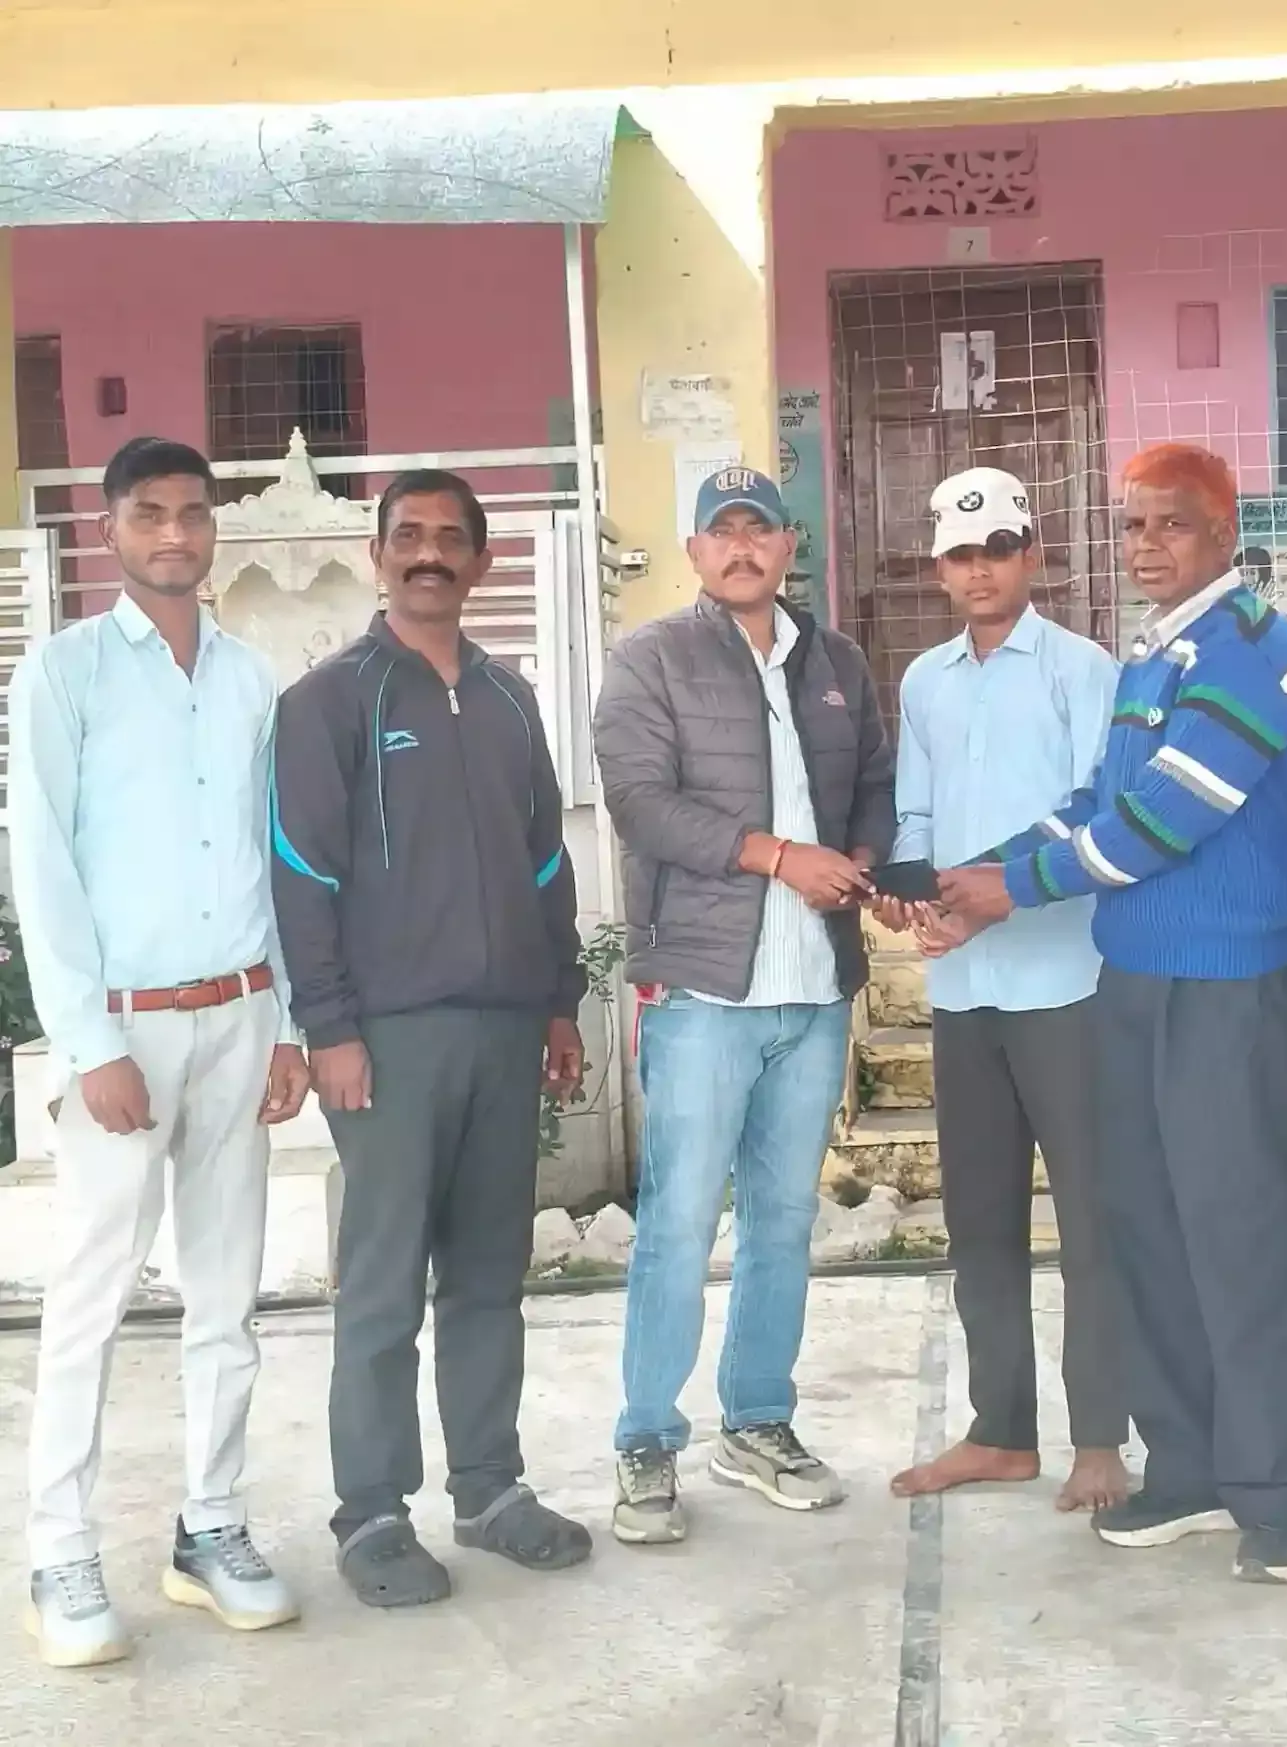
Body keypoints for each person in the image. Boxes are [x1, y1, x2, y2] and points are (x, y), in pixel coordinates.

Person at [940, 443, 1287, 1585]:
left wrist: (1015, 889)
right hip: (1134, 981)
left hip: (1224, 987)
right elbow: (1095, 803)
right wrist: (983, 872)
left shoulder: (1253, 648)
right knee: (1149, 1230)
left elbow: (1166, 818)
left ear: (1224, 531)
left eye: (1172, 524)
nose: (1146, 545)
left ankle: (1277, 1494)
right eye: (1133, 526)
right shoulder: (1153, 655)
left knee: (1240, 1235)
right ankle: (1190, 1466)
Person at [11, 436, 310, 1668]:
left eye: (193, 513)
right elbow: (41, 864)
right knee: (91, 1293)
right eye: (150, 514)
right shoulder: (63, 671)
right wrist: (89, 1041)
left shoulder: (251, 678)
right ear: (110, 529)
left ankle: (212, 1525)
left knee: (226, 1291)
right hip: (124, 1027)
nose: (175, 534)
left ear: (213, 527)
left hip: (240, 1013)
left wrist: (288, 1022)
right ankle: (60, 1551)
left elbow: (278, 859)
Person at [271, 469, 591, 1607]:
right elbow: (301, 872)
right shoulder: (329, 701)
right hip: (388, 1040)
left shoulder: (509, 698)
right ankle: (369, 1513)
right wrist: (328, 1027)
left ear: (480, 563)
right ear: (377, 555)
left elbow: (546, 859)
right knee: (382, 1284)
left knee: (491, 1275)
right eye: (408, 535)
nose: (429, 555)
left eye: (451, 538)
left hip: (505, 1032)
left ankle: (491, 1490)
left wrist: (560, 1000)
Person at [592, 464, 895, 1547]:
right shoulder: (649, 659)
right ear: (693, 552)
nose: (740, 547)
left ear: (787, 544)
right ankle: (646, 1436)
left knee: (781, 1219)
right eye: (719, 532)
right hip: (706, 991)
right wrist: (776, 855)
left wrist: (859, 862)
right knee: (678, 1221)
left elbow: (873, 783)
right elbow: (639, 803)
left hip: (812, 990)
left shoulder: (836, 662)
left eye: (757, 529)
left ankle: (757, 1419)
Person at [874, 466, 1128, 1512]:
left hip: (1066, 982)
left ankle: (1100, 1436)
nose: (980, 571)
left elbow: (1096, 812)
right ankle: (1000, 1431)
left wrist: (994, 896)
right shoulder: (925, 681)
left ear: (1032, 555)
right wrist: (911, 897)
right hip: (963, 989)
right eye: (960, 555)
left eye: (998, 550)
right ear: (938, 568)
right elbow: (916, 817)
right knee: (979, 1221)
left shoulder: (1082, 669)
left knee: (1093, 1220)